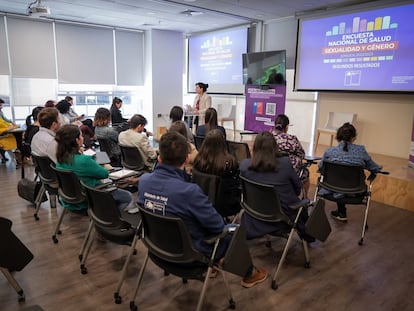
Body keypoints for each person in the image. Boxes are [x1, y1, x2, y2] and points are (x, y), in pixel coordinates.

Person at [137, 131, 267, 288]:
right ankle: (250, 274)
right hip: (189, 255)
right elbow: (218, 226)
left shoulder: (143, 182)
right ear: (186, 159)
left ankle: (215, 264)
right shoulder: (189, 192)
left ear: (159, 158)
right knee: (233, 232)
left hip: (157, 248)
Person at [239, 131, 314, 242]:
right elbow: (298, 189)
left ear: (255, 147)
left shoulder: (245, 165)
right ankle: (310, 237)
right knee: (309, 206)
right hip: (282, 218)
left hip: (254, 215)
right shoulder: (285, 164)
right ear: (275, 147)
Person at [55, 124, 133, 212]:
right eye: (81, 136)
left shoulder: (60, 159)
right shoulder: (83, 160)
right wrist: (103, 166)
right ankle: (106, 214)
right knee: (127, 196)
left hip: (70, 199)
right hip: (90, 197)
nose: (83, 137)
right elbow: (104, 174)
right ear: (77, 140)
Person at [319, 122, 382, 222]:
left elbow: (321, 167)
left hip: (332, 188)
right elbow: (374, 167)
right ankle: (341, 212)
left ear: (338, 137)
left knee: (338, 178)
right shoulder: (361, 150)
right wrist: (379, 168)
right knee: (345, 179)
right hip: (355, 190)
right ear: (353, 138)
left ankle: (341, 212)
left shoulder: (329, 152)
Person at [193, 129, 241, 217]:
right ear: (223, 143)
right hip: (223, 207)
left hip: (199, 202)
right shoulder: (229, 164)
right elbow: (234, 189)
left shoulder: (198, 161)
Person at [270, 114, 309, 196]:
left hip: (270, 168)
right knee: (306, 173)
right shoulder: (292, 138)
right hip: (290, 171)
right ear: (287, 126)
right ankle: (305, 199)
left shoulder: (268, 137)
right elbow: (301, 154)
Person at [0, 98, 19, 164]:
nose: (1, 107)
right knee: (7, 142)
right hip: (2, 134)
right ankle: (14, 160)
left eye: (1, 105)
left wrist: (12, 123)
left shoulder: (0, 112)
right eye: (0, 105)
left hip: (3, 133)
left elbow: (5, 120)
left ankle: (9, 157)